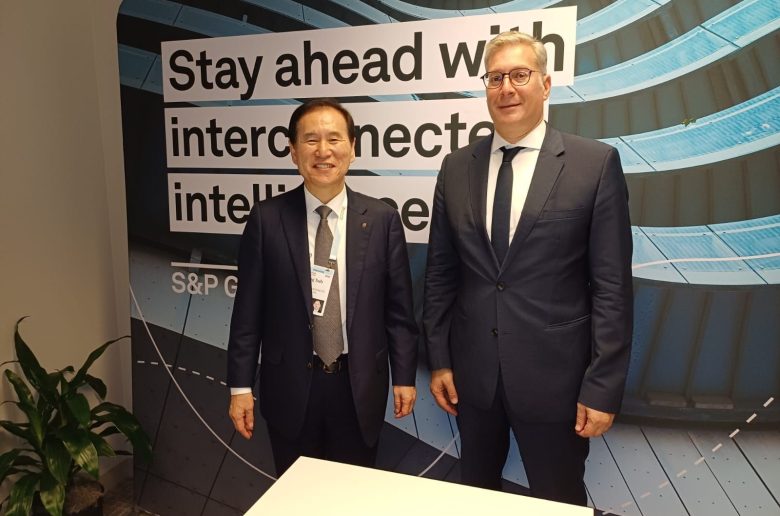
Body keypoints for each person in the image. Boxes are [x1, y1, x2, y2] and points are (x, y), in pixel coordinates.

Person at [423, 31, 633, 505]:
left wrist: (602, 386)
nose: (507, 88)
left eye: (520, 75)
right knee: (476, 499)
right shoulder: (455, 167)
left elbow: (612, 287)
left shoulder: (594, 163)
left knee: (558, 502)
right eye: (495, 78)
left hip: (557, 384)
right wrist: (439, 358)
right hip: (473, 380)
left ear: (546, 84)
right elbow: (440, 273)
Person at [228, 98, 418, 476]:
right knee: (297, 493)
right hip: (290, 386)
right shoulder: (267, 220)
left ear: (352, 148)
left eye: (334, 139)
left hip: (357, 386)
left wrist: (404, 378)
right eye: (311, 140)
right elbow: (247, 314)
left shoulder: (382, 220)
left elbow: (399, 313)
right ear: (293, 151)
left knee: (353, 493)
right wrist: (240, 388)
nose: (323, 150)